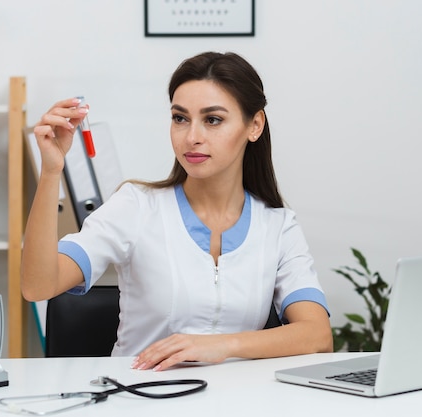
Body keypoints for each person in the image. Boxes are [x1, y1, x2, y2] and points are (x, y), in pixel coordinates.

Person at [22, 51, 333, 371]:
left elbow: (317, 334)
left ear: (254, 125)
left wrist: (221, 345)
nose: (192, 137)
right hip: (140, 398)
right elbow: (39, 286)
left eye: (213, 120)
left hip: (236, 400)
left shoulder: (278, 226)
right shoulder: (136, 206)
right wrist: (51, 172)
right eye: (180, 118)